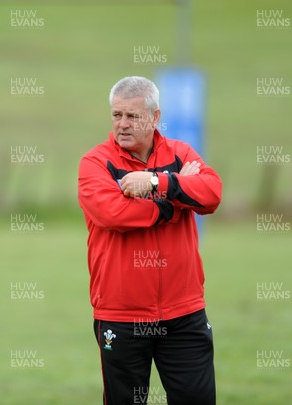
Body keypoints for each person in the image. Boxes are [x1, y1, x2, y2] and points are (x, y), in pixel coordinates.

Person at [78, 76, 222, 405]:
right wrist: (175, 198)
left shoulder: (180, 153)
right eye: (117, 115)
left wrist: (156, 181)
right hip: (121, 315)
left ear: (155, 118)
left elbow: (212, 194)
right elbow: (113, 214)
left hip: (184, 312)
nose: (123, 124)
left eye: (133, 116)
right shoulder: (95, 163)